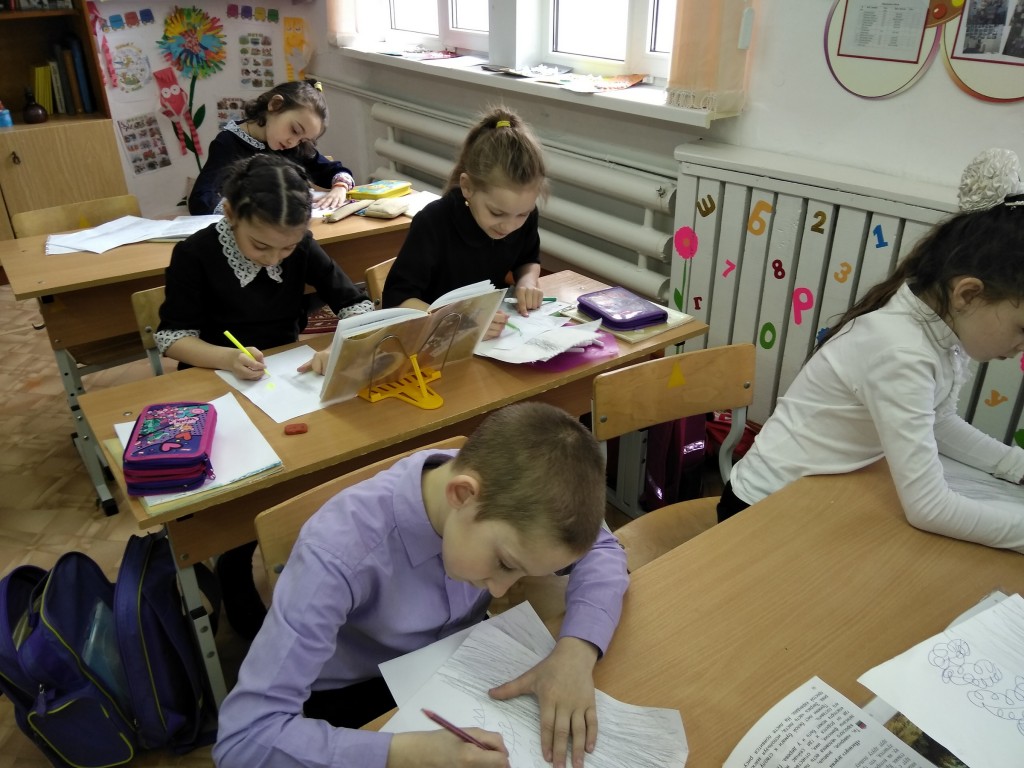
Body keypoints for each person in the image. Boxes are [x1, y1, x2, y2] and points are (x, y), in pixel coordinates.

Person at [213, 402, 629, 768]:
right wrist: (402, 755)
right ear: (461, 495)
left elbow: (604, 550)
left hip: (457, 660)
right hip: (354, 692)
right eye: (504, 564)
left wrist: (577, 651)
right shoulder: (338, 551)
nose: (501, 592)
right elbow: (244, 739)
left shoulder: (512, 491)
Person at [718, 148, 1024, 554]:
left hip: (819, 497)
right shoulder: (901, 350)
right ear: (968, 293)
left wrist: (1013, 465)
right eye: (1022, 328)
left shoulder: (943, 327)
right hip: (760, 509)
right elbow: (930, 508)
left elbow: (937, 422)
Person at [157, 153, 373, 379]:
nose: (273, 259)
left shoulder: (303, 246)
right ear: (230, 214)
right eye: (260, 246)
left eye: (287, 247)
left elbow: (356, 305)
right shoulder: (194, 253)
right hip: (211, 372)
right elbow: (174, 337)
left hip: (283, 368)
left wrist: (337, 348)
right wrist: (227, 359)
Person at [382, 106, 546, 340]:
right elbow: (397, 299)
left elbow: (528, 259)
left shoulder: (521, 214)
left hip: (488, 335)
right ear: (467, 187)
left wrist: (527, 281)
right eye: (496, 213)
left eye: (522, 215)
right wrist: (458, 321)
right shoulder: (433, 222)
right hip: (431, 338)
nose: (509, 226)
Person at [187, 78, 355, 215]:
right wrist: (246, 213)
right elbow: (201, 198)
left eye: (303, 140)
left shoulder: (294, 146)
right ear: (275, 105)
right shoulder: (228, 143)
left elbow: (331, 170)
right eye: (295, 130)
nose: (293, 142)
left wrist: (340, 188)